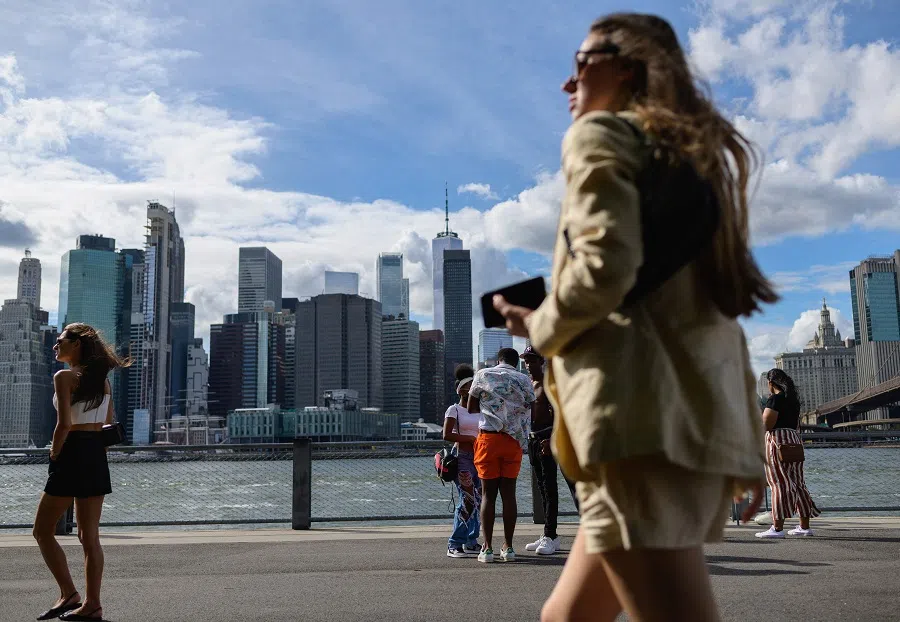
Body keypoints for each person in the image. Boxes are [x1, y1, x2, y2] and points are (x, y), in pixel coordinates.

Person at [492, 12, 777, 621]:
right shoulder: (688, 170)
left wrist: (535, 327)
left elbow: (601, 271)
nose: (568, 85)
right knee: (566, 618)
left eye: (580, 65)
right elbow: (717, 321)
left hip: (634, 427)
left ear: (625, 68)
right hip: (684, 428)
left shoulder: (600, 136)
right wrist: (744, 445)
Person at [33, 323, 128, 621]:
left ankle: (68, 593)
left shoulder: (63, 377)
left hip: (72, 451)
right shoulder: (103, 382)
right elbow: (106, 425)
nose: (55, 345)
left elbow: (64, 425)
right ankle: (93, 605)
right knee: (90, 538)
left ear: (77, 344)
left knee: (42, 530)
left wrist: (54, 453)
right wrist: (94, 456)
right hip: (96, 455)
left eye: (60, 341)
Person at [467, 347, 535, 563]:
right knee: (509, 494)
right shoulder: (524, 379)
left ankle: (487, 548)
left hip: (489, 439)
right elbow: (531, 406)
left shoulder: (483, 375)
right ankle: (509, 547)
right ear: (516, 363)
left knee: (488, 495)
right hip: (513, 441)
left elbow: (470, 408)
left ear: (498, 360)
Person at [521, 346, 578, 556]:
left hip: (549, 440)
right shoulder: (528, 385)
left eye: (532, 361)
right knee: (543, 488)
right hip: (534, 440)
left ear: (541, 362)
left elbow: (562, 414)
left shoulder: (549, 384)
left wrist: (552, 439)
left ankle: (552, 534)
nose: (528, 365)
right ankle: (550, 535)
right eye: (526, 361)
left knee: (557, 488)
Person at [756, 368, 819, 538]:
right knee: (798, 483)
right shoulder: (793, 401)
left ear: (771, 383)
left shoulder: (775, 399)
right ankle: (804, 527)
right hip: (794, 440)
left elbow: (767, 425)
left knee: (778, 483)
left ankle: (777, 528)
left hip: (777, 441)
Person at [443, 364, 483, 557]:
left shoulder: (480, 410)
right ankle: (454, 543)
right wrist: (470, 439)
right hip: (463, 458)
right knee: (467, 500)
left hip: (481, 458)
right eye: (468, 387)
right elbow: (446, 434)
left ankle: (471, 540)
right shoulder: (454, 410)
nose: (471, 390)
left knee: (479, 500)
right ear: (460, 390)